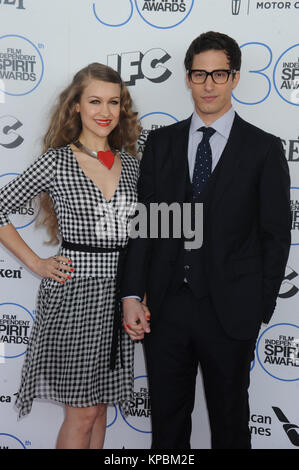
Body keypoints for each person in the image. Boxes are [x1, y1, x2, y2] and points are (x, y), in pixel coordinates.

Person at [121, 31, 291, 449]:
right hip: (165, 308)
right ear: (187, 78)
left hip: (232, 311)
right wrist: (130, 293)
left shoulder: (264, 149)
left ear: (234, 77)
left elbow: (276, 234)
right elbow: (145, 222)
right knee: (167, 424)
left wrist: (258, 305)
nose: (209, 84)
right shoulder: (160, 143)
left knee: (230, 423)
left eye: (219, 74)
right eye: (200, 74)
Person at [0, 63, 148, 449]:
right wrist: (36, 263)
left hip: (119, 296)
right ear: (76, 107)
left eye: (114, 102)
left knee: (98, 409)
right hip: (75, 296)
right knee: (81, 414)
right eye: (95, 101)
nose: (105, 111)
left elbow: (140, 239)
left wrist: (138, 294)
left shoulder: (132, 166)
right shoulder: (57, 160)